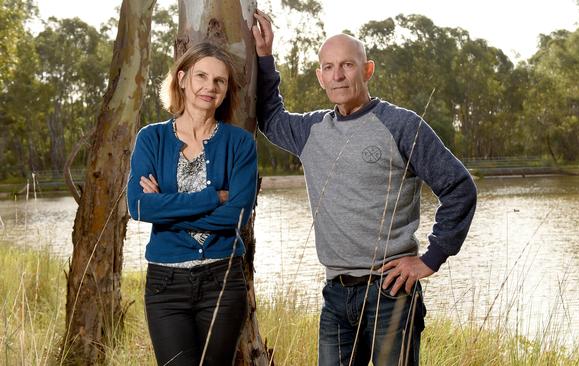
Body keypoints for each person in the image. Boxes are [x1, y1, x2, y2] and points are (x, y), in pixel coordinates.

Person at [252, 11, 477, 366]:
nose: (337, 75)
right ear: (320, 77)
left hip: (391, 291)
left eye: (347, 65)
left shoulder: (401, 125)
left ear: (367, 70)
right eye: (328, 67)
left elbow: (459, 188)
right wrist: (265, 56)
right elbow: (269, 118)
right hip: (336, 295)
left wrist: (431, 258)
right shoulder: (311, 132)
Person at [126, 42, 258, 366]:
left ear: (226, 90)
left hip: (222, 282)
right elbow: (139, 207)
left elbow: (237, 216)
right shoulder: (151, 138)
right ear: (182, 78)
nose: (209, 87)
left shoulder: (240, 143)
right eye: (201, 76)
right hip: (165, 285)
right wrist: (213, 198)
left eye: (219, 81)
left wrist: (166, 209)